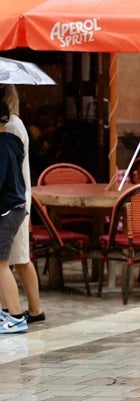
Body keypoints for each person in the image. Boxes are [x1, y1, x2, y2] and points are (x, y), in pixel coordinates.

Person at [0, 85, 45, 324]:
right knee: (16, 257)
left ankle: (16, 312)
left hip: (12, 201)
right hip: (15, 199)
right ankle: (25, 310)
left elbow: (7, 166)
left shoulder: (11, 127)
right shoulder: (12, 125)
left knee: (14, 258)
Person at [0, 100, 29, 334]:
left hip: (7, 210)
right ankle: (6, 312)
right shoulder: (13, 142)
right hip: (16, 207)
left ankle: (16, 316)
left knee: (0, 264)